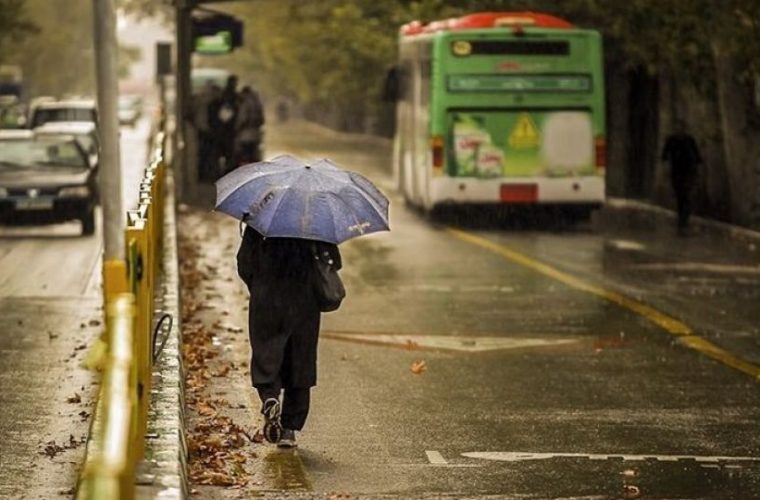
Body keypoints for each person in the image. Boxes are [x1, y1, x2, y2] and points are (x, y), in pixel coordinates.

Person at [236, 225, 341, 448]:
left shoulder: (261, 221)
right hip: (304, 300)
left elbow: (244, 263)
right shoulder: (316, 222)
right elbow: (333, 262)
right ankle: (289, 429)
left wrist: (259, 285)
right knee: (300, 360)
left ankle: (270, 397)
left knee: (266, 352)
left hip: (267, 296)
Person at [661, 121, 703, 236]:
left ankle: (684, 221)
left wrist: (697, 172)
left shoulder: (690, 140)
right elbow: (664, 156)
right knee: (680, 196)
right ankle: (681, 219)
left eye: (682, 128)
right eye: (677, 128)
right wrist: (665, 172)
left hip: (688, 172)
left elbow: (697, 156)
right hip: (676, 172)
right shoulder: (671, 140)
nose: (680, 130)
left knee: (686, 195)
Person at [209, 75, 240, 177]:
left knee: (221, 154)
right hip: (227, 131)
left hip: (221, 130)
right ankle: (225, 173)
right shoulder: (233, 97)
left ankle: (220, 173)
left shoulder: (223, 96)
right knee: (228, 154)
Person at [193, 81, 220, 181]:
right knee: (209, 154)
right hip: (208, 130)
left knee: (203, 154)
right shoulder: (213, 101)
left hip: (201, 130)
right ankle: (209, 174)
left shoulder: (198, 98)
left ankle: (203, 174)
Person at [235, 86, 265, 165]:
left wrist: (236, 129)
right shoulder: (257, 103)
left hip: (245, 135)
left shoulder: (245, 103)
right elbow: (262, 120)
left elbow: (242, 119)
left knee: (245, 156)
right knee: (254, 156)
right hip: (256, 134)